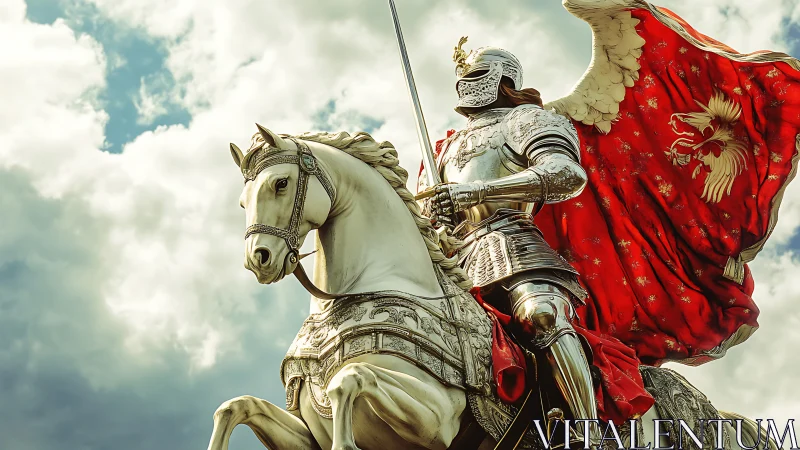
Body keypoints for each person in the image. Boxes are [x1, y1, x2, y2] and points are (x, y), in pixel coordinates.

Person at [419, 39, 599, 442]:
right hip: (453, 263)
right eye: (463, 76)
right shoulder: (444, 148)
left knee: (542, 315)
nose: (467, 81)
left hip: (512, 244)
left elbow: (565, 175)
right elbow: (426, 219)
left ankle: (590, 433)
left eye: (478, 73)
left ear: (504, 79)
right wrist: (437, 214)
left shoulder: (526, 121)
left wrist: (476, 193)